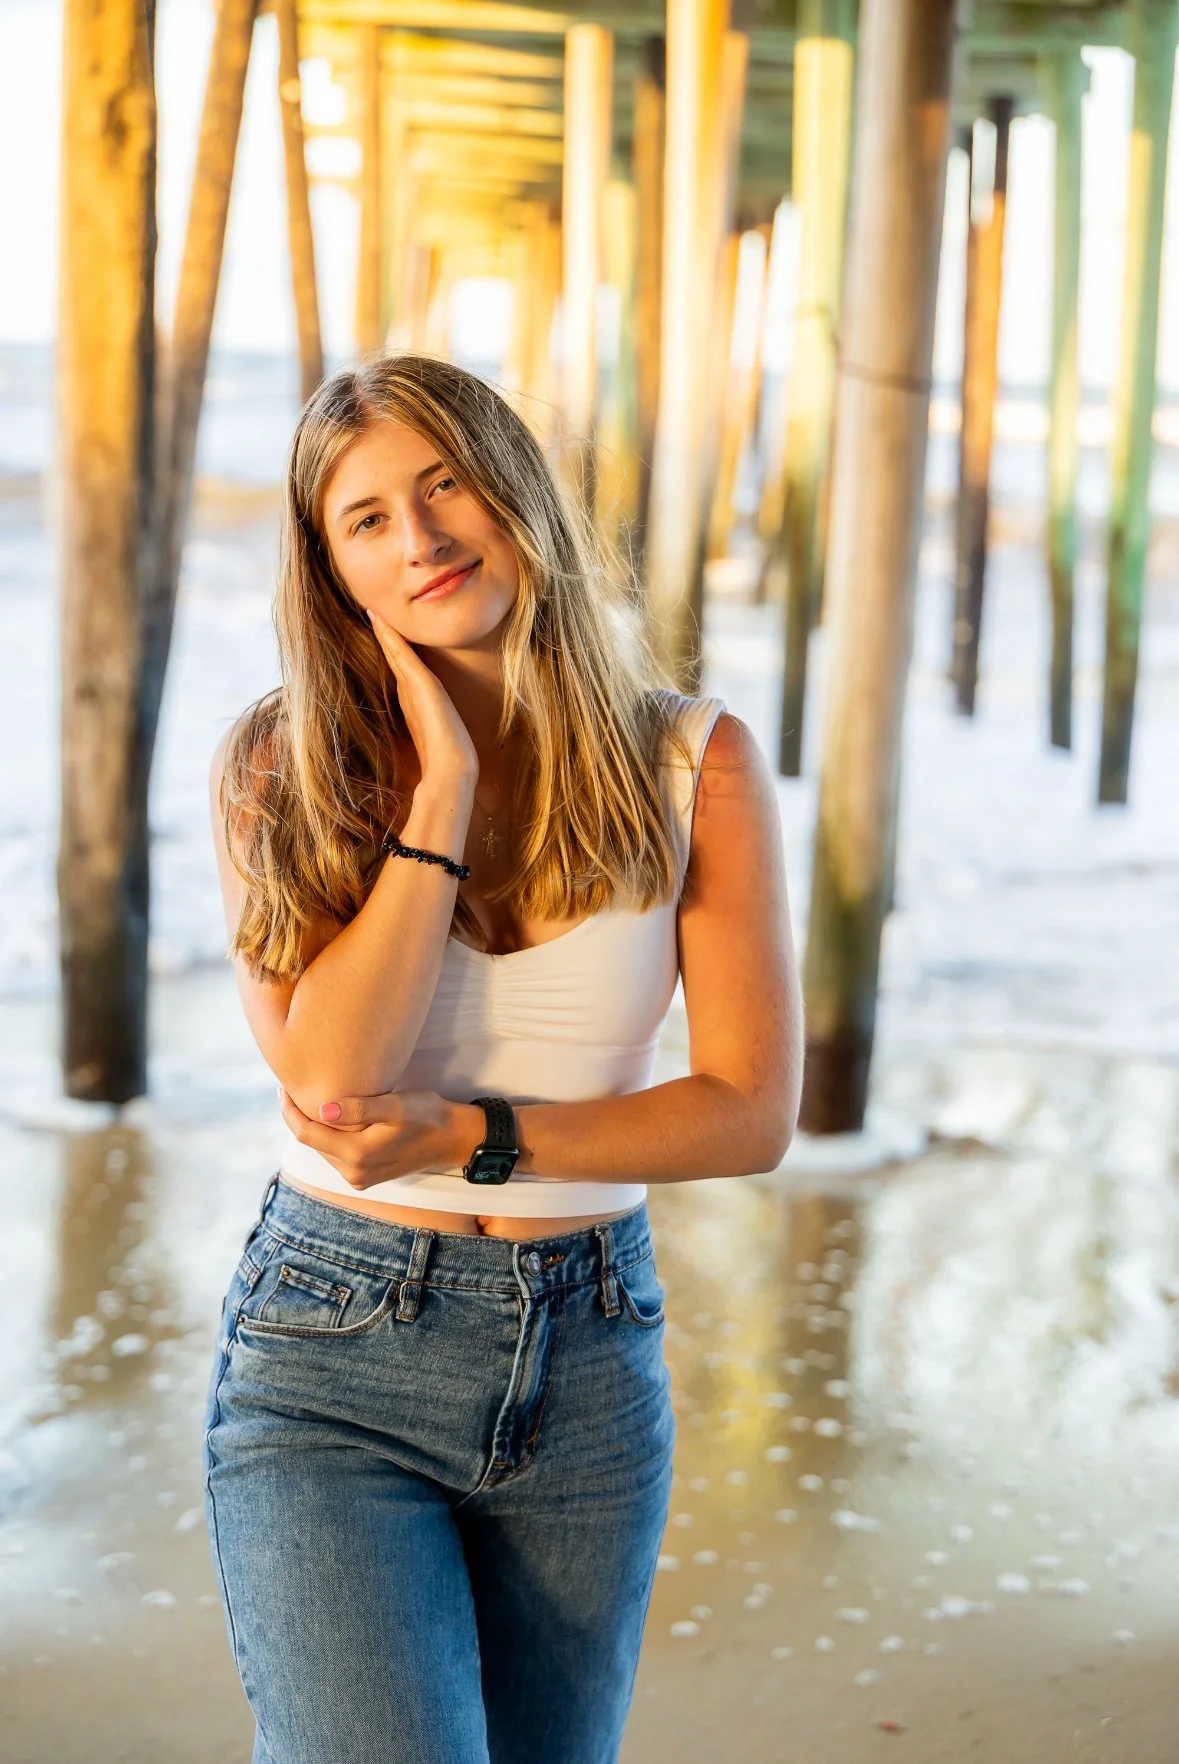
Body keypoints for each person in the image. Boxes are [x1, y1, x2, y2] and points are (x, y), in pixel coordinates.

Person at [201, 353, 803, 1764]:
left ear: (512, 488)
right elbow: (335, 1089)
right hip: (333, 1352)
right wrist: (442, 793)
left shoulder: (692, 763)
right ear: (329, 570)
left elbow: (746, 1112)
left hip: (593, 1359)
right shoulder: (282, 771)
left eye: (444, 484)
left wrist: (475, 1136)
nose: (420, 539)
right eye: (365, 520)